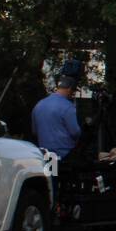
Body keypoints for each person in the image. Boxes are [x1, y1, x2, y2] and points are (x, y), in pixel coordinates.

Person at [31, 74, 81, 203]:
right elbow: (75, 132)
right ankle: (65, 207)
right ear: (70, 89)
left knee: (50, 184)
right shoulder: (67, 107)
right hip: (64, 154)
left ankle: (51, 208)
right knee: (66, 183)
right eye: (73, 91)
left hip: (45, 154)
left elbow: (34, 131)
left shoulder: (39, 105)